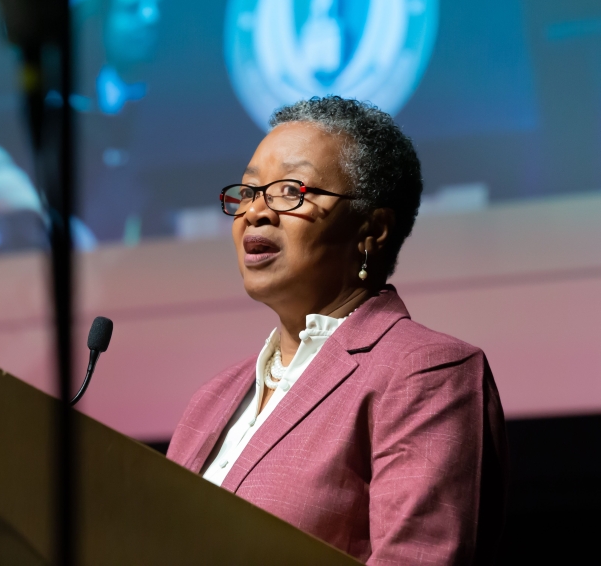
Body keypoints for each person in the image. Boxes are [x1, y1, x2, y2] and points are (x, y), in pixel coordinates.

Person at [167, 97, 507, 564]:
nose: (256, 212)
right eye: (248, 191)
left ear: (374, 228)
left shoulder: (425, 373)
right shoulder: (211, 400)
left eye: (291, 190)